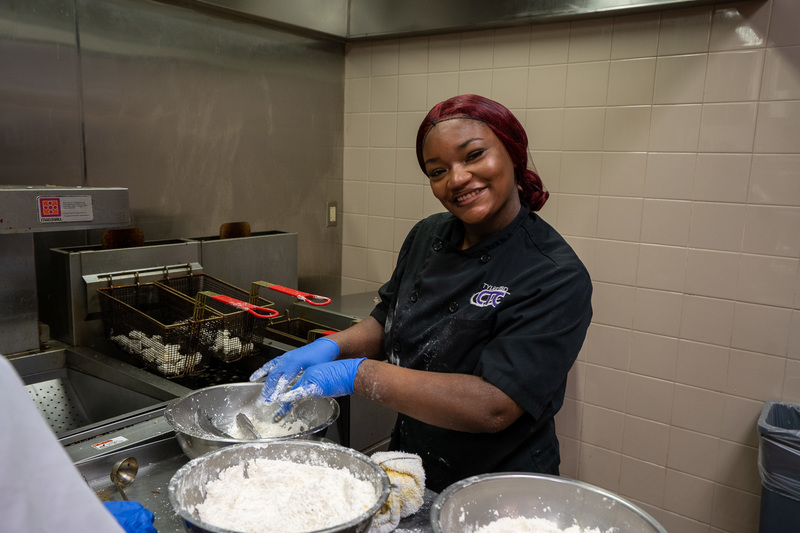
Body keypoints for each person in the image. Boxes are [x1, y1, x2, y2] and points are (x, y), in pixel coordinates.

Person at [251, 94, 593, 492]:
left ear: (514, 154)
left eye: (474, 155)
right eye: (437, 171)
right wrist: (330, 347)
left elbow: (495, 405)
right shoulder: (428, 234)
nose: (457, 179)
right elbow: (388, 320)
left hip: (499, 486)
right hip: (412, 463)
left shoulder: (554, 275)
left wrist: (358, 374)